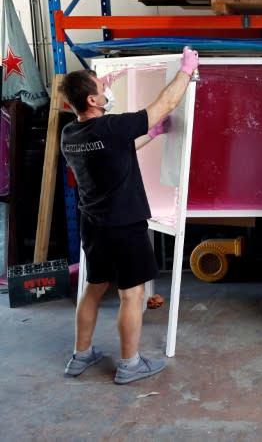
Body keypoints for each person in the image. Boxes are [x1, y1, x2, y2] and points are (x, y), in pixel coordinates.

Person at [59, 46, 199, 384]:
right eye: (100, 87)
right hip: (124, 224)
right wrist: (185, 70)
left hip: (94, 226)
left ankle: (80, 356)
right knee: (132, 294)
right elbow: (164, 105)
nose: (106, 90)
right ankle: (129, 365)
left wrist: (149, 137)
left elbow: (113, 152)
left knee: (93, 289)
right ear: (92, 101)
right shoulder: (111, 127)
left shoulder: (71, 135)